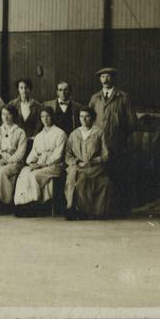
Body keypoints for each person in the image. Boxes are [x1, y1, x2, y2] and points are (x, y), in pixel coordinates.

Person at [89, 66, 135, 214]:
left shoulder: (123, 97)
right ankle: (99, 208)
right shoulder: (95, 98)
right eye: (102, 77)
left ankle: (117, 209)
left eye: (108, 76)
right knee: (99, 175)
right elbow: (88, 119)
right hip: (98, 145)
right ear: (99, 79)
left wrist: (120, 136)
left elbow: (132, 121)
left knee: (117, 175)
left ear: (113, 78)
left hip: (117, 145)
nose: (105, 79)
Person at [14, 106, 67, 217]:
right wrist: (32, 162)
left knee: (34, 175)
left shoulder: (60, 133)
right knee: (24, 172)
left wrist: (41, 165)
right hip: (40, 164)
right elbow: (34, 153)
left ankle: (35, 204)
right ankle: (23, 203)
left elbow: (58, 155)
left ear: (52, 117)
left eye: (48, 116)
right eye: (42, 116)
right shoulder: (39, 136)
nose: (45, 119)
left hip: (55, 165)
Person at [64, 106, 113, 220]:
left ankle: (82, 210)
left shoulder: (99, 132)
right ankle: (72, 207)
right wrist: (77, 162)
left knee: (82, 178)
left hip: (95, 167)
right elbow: (67, 155)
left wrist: (94, 160)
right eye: (81, 116)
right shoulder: (74, 134)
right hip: (77, 166)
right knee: (72, 177)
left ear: (93, 118)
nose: (84, 119)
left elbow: (106, 155)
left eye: (87, 116)